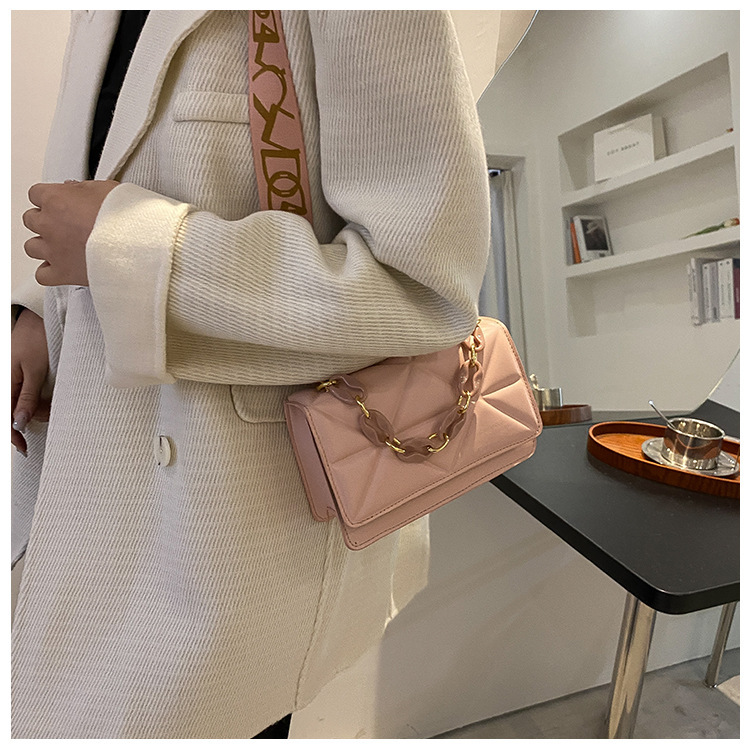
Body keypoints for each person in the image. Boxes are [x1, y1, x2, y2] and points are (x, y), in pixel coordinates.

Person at [11, 10, 490, 739]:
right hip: (81, 503)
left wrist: (130, 251)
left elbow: (425, 290)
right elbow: (103, 188)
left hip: (223, 546)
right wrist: (42, 318)